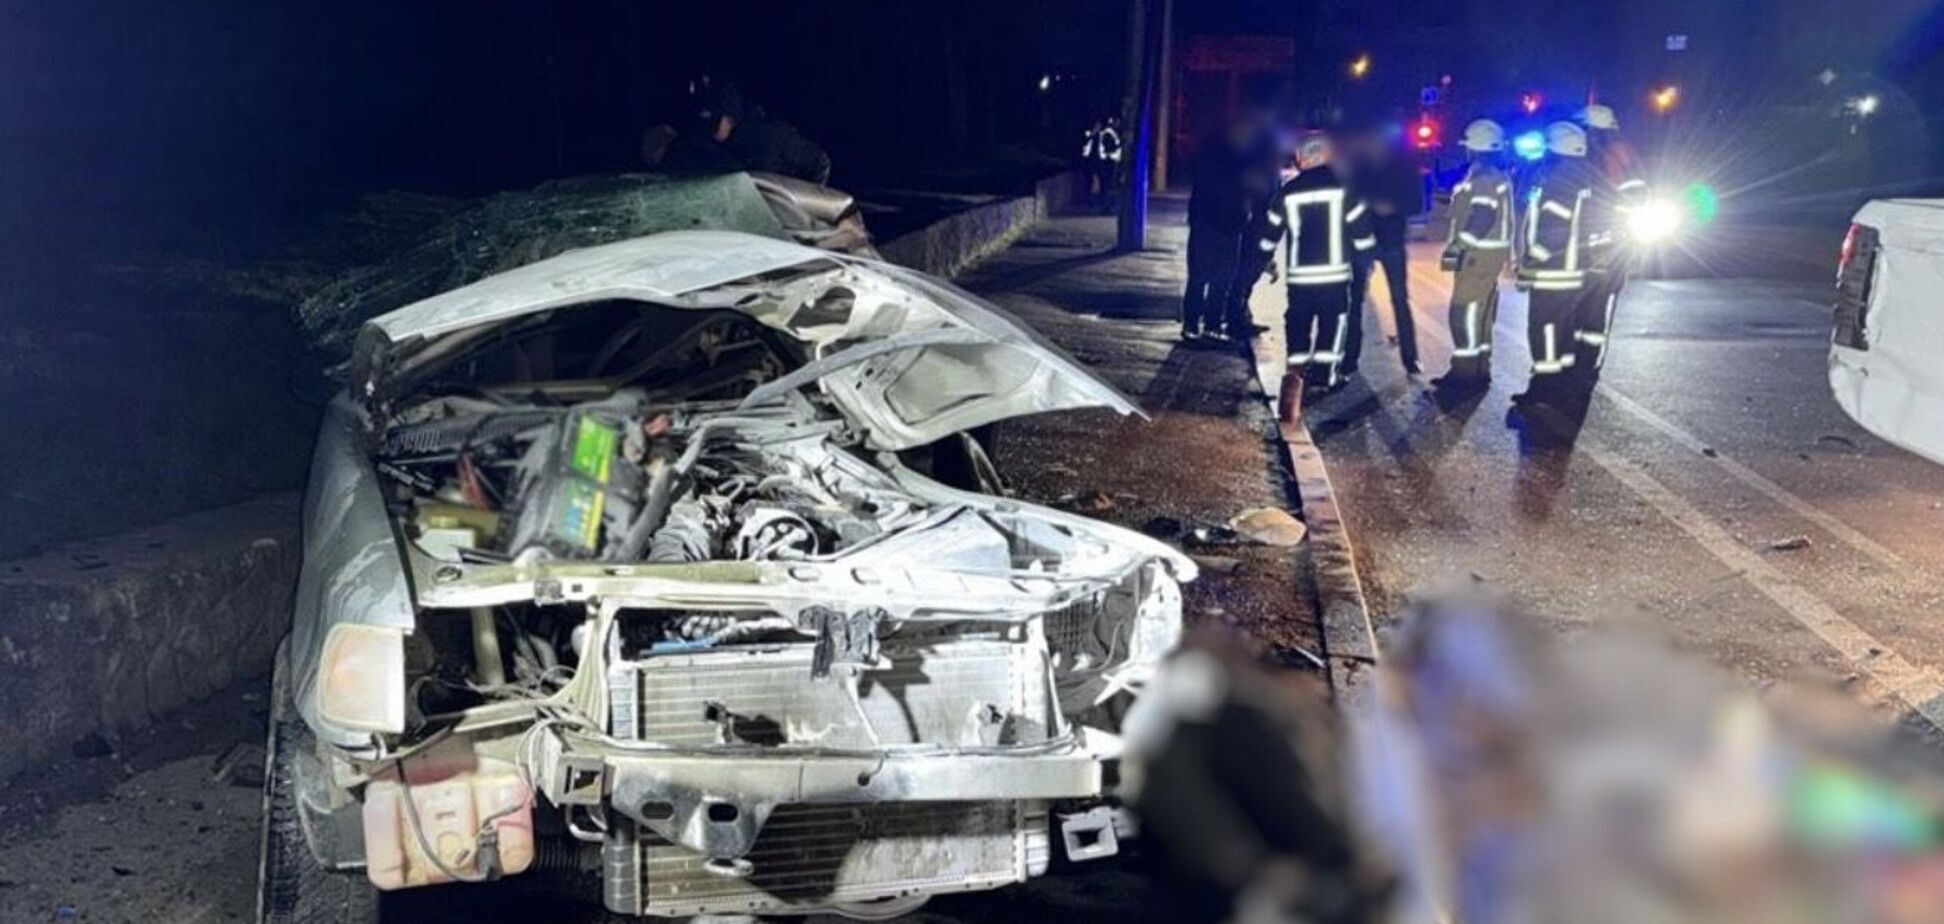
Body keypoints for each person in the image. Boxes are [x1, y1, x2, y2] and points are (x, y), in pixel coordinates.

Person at [1257, 132, 1376, 415]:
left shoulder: (1289, 191)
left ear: (1305, 157)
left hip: (1300, 278)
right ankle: (1324, 378)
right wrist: (1367, 260)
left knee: (1297, 323)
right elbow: (1362, 232)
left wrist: (1265, 259)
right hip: (1334, 277)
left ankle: (1296, 373)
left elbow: (1270, 231)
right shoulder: (1344, 188)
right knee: (1332, 325)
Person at [1514, 121, 1611, 407]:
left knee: (1544, 330)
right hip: (1574, 272)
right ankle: (1563, 386)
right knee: (1563, 331)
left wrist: (1529, 264)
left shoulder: (1558, 181)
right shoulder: (1586, 177)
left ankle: (1544, 388)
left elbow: (1550, 231)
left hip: (1552, 272)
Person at [1432, 120, 1517, 391]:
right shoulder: (1490, 175)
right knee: (1481, 315)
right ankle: (1479, 369)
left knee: (1464, 313)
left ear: (1476, 147)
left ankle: (1465, 375)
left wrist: (1459, 246)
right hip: (1486, 256)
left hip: (1478, 256)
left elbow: (1482, 216)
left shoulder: (1484, 178)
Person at [1571, 104, 1647, 382]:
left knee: (1594, 305)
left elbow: (1631, 201)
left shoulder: (1612, 157)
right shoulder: (1613, 156)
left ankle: (1586, 364)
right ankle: (1583, 362)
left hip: (1606, 244)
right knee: (1592, 305)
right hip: (1603, 243)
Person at [1346, 130, 1426, 376]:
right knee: (1362, 300)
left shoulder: (1392, 166)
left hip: (1380, 239)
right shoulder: (1365, 164)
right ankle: (1351, 357)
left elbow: (1416, 202)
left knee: (1390, 300)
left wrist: (1388, 207)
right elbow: (1349, 198)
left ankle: (1407, 358)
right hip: (1373, 238)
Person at [1181, 121, 1256, 342]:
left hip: (1211, 224)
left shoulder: (1209, 159)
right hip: (1225, 226)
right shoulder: (1237, 162)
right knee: (1218, 279)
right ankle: (1208, 325)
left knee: (1202, 277)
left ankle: (1194, 325)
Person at [687, 83, 833, 185]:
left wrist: (806, 208)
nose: (710, 132)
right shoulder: (722, 149)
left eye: (713, 123)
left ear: (729, 119)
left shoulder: (771, 135)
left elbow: (819, 161)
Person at [1080, 115, 1124, 206]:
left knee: (1105, 184)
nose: (1096, 127)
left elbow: (1112, 149)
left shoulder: (1107, 134)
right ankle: (1093, 201)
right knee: (1093, 181)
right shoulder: (1092, 136)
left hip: (1105, 163)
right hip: (1094, 163)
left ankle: (1103, 203)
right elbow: (1087, 149)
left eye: (1097, 125)